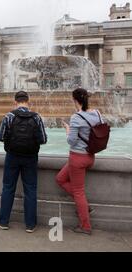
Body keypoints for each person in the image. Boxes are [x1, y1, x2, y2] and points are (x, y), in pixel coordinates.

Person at [0, 91, 47, 233]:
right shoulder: (36, 117)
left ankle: (3, 222)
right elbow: (43, 139)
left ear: (15, 102)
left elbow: (0, 136)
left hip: (12, 156)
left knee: (8, 188)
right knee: (30, 189)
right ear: (28, 101)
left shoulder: (9, 116)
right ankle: (30, 225)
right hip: (30, 158)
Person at [56, 88, 101, 235]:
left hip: (78, 158)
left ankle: (85, 226)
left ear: (75, 100)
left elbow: (71, 141)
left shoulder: (76, 117)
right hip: (90, 156)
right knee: (60, 178)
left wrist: (67, 129)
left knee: (78, 192)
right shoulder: (97, 113)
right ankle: (84, 207)